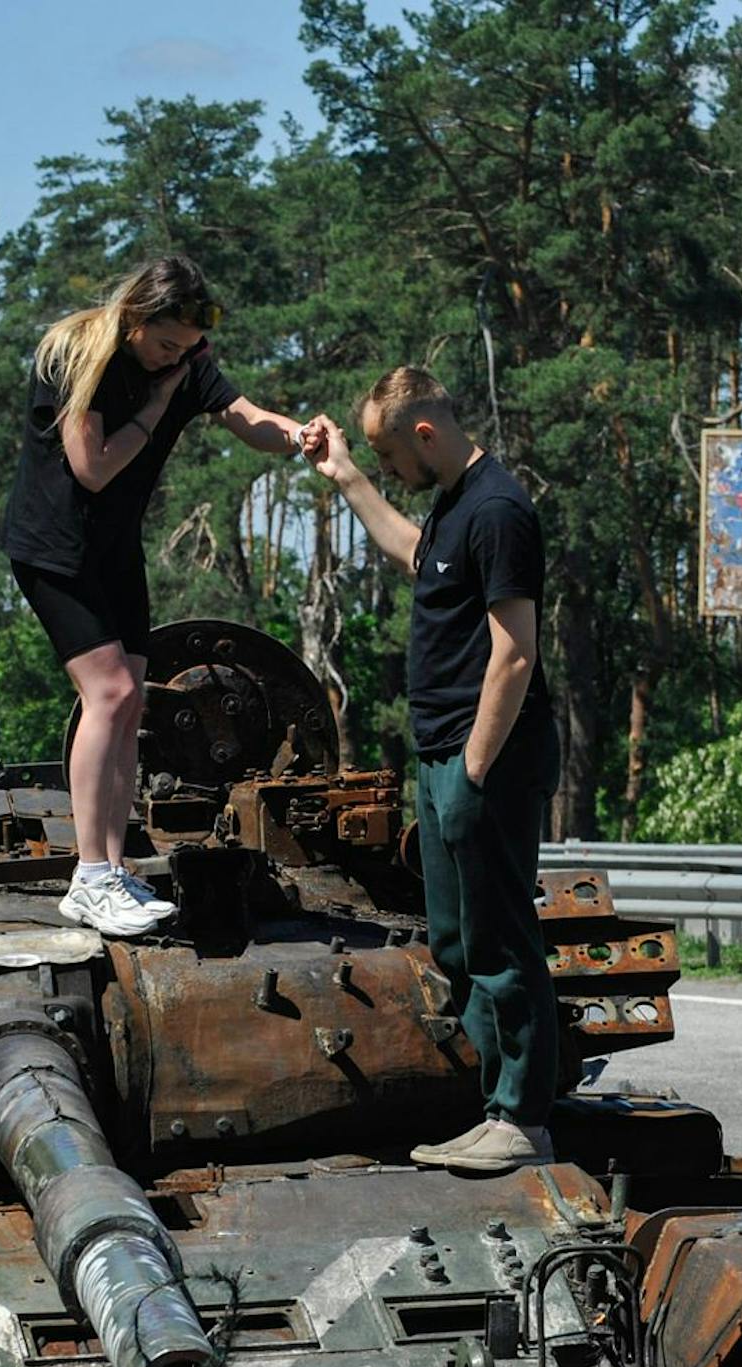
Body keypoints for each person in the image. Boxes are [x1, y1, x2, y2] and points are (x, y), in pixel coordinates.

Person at [302, 368, 560, 1174]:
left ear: (425, 433)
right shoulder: (454, 506)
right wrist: (345, 475)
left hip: (488, 757)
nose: (387, 470)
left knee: (500, 940)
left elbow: (514, 652)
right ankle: (498, 1110)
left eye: (386, 455)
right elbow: (417, 554)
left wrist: (474, 770)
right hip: (444, 752)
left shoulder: (498, 509)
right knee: (454, 940)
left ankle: (524, 1118)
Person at [3, 256, 307, 936]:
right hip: (54, 547)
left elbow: (246, 417)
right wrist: (158, 404)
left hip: (114, 550)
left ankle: (111, 869)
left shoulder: (186, 359)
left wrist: (297, 436)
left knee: (131, 701)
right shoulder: (75, 352)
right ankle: (89, 876)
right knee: (108, 694)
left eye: (187, 347)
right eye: (167, 344)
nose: (178, 357)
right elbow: (93, 467)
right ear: (136, 318)